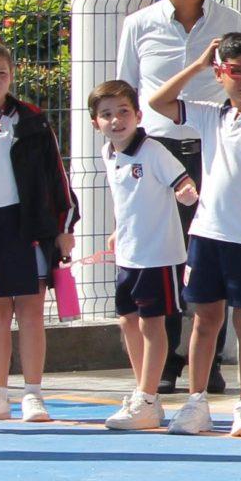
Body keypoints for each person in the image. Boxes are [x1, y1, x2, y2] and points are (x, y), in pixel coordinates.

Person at [116, 0, 241, 395]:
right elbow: (127, 91)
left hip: (213, 150)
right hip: (157, 151)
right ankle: (168, 363)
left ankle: (206, 363)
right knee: (162, 257)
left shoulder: (230, 22)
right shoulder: (139, 24)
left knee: (210, 253)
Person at [147, 32, 241, 438]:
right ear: (221, 73)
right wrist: (197, 65)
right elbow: (157, 103)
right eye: (237, 71)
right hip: (206, 236)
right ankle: (196, 404)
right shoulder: (210, 116)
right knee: (204, 320)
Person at [93, 80, 197, 431]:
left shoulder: (153, 150)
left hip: (159, 253)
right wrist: (117, 231)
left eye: (123, 112)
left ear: (138, 115)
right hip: (128, 253)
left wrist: (187, 191)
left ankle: (148, 398)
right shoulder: (109, 153)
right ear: (96, 123)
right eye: (106, 115)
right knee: (127, 320)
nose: (116, 120)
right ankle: (143, 392)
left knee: (152, 323)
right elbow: (128, 199)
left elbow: (181, 182)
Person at [0, 41, 70, 426]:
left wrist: (64, 228)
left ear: (12, 76)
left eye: (1, 74)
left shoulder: (33, 120)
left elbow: (57, 177)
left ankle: (34, 394)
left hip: (25, 226)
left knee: (32, 311)